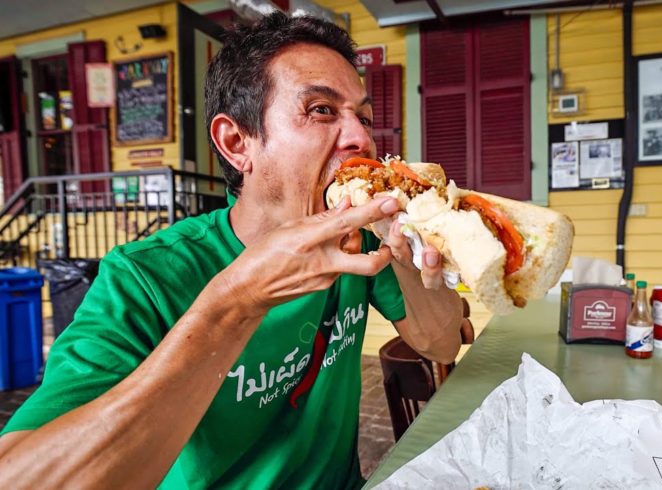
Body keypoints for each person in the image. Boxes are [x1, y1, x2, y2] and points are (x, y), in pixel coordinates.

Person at [0, 13, 463, 489]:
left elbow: (441, 343)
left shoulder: (364, 242)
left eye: (363, 117)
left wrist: (408, 249)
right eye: (322, 110)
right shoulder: (143, 277)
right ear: (237, 142)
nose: (361, 139)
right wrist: (236, 302)